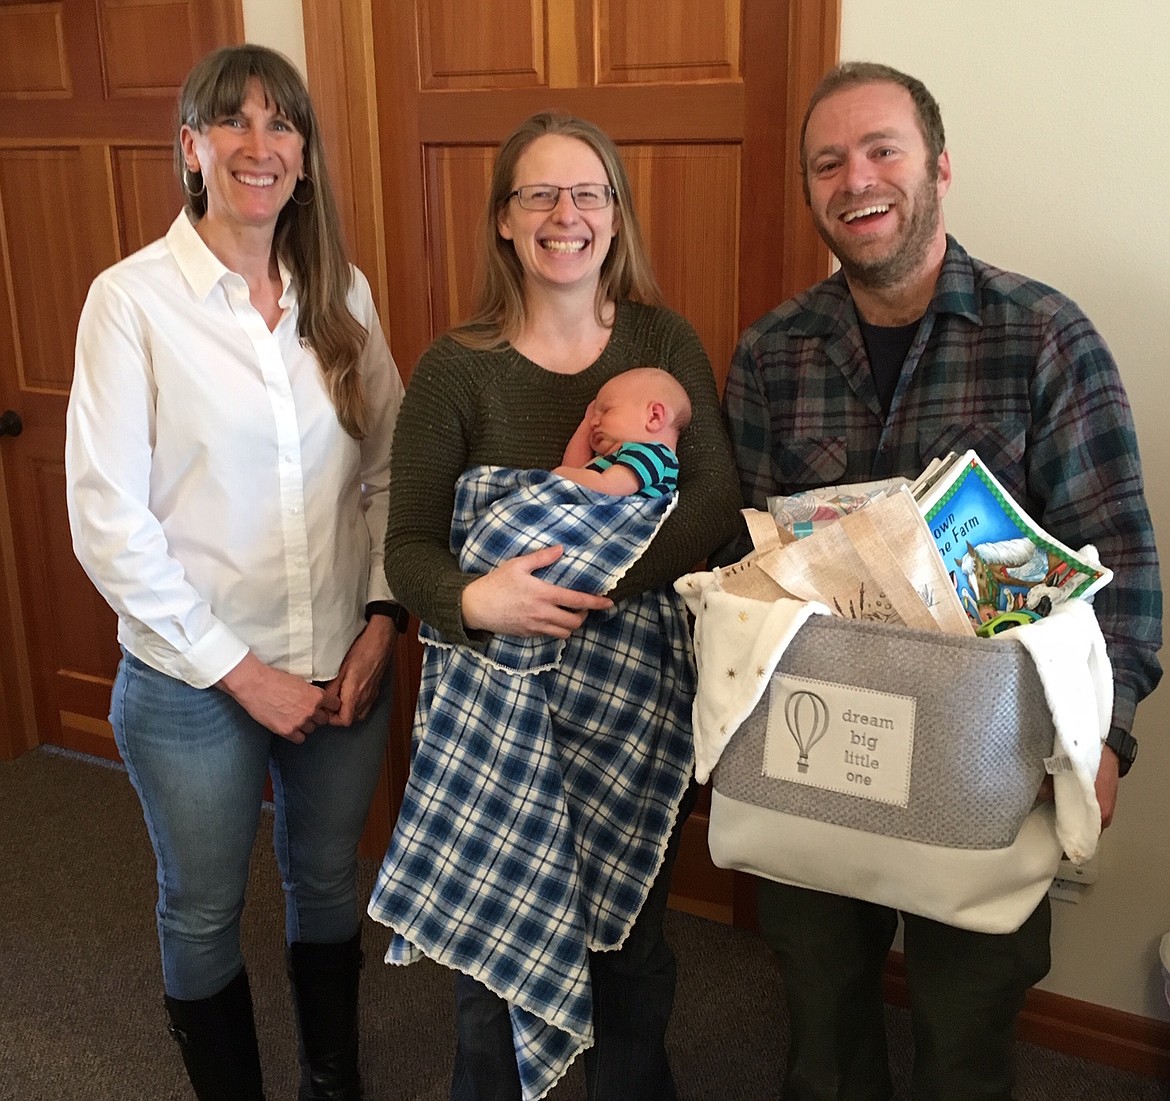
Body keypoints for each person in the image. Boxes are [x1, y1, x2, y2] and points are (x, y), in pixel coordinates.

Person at [722, 61, 1162, 1100]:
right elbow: (732, 566)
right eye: (827, 162)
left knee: (967, 1041)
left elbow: (1122, 559)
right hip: (818, 752)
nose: (854, 178)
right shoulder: (770, 356)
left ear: (940, 167)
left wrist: (1112, 738)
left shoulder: (1044, 336)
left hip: (985, 763)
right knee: (821, 1035)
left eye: (882, 150)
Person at [367, 111, 742, 1101]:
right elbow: (406, 548)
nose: (564, 214)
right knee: (493, 963)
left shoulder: (663, 341)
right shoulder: (456, 368)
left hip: (630, 708)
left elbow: (710, 499)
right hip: (499, 708)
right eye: (539, 193)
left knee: (631, 951)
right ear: (502, 220)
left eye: (587, 194)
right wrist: (476, 598)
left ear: (615, 218)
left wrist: (593, 581)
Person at [65, 44, 406, 1101]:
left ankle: (331, 1082)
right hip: (190, 686)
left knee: (325, 886)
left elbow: (394, 468)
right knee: (202, 907)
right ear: (191, 150)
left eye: (283, 125)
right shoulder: (131, 303)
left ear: (304, 157)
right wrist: (240, 671)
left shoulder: (339, 293)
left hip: (344, 660)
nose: (260, 145)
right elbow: (108, 521)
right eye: (234, 123)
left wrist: (383, 620)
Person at [552, 365, 692, 496]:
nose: (594, 422)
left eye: (606, 410)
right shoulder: (612, 457)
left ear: (654, 417)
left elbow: (608, 487)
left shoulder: (653, 454)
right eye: (593, 416)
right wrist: (586, 422)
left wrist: (558, 475)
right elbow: (573, 471)